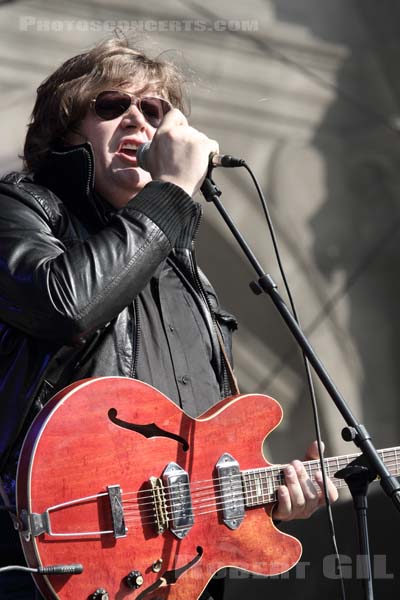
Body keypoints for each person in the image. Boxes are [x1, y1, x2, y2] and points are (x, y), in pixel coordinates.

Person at [0, 37, 338, 599]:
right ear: (65, 131)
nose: (137, 118)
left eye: (153, 111)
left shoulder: (185, 273)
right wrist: (171, 193)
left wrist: (270, 495)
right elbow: (63, 304)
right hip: (50, 560)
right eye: (111, 106)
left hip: (171, 576)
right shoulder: (26, 210)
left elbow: (196, 462)